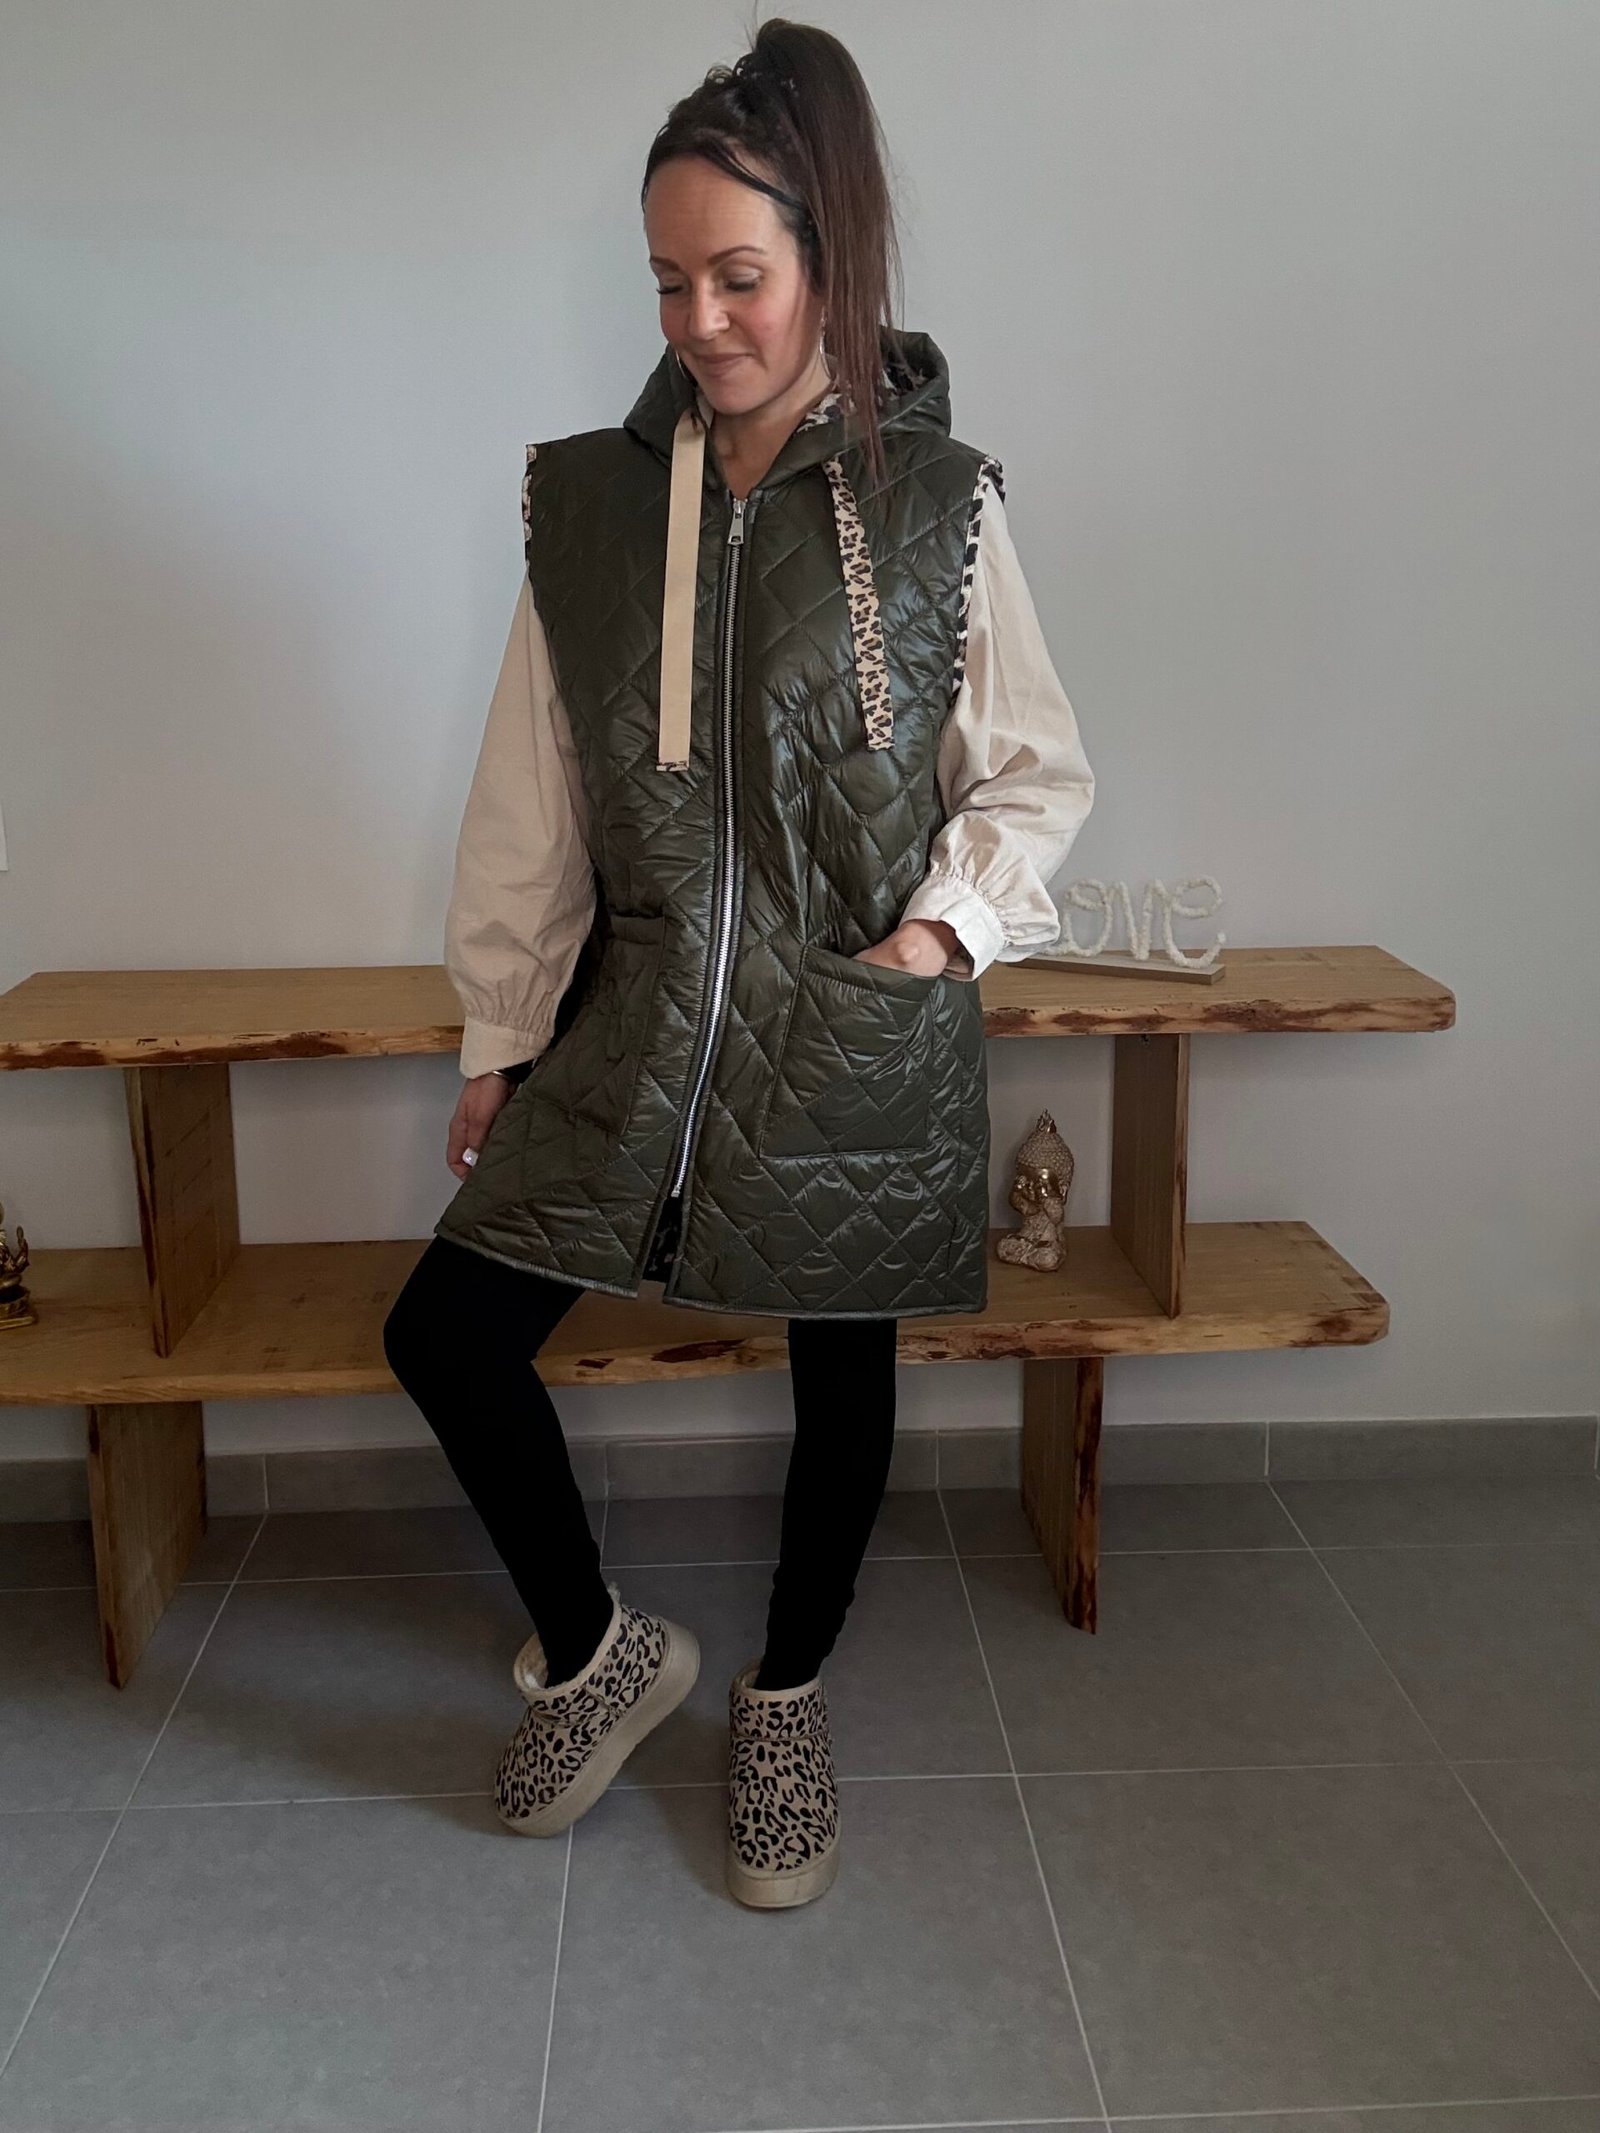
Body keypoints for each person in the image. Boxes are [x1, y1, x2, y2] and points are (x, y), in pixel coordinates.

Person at [382, 16, 1094, 1911]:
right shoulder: (594, 507)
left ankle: (785, 1696)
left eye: (739, 275)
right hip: (634, 1012)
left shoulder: (941, 505)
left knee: (842, 1368)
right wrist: (501, 1026)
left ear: (828, 262)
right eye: (667, 280)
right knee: (444, 1334)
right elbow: (536, 787)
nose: (699, 319)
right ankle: (601, 1649)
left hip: (848, 1013)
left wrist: (939, 932)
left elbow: (1033, 769)